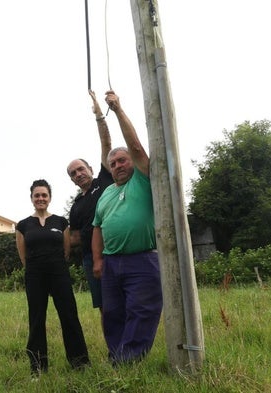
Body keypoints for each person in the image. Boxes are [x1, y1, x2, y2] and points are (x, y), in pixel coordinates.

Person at [91, 90, 163, 365]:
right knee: (113, 313)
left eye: (122, 160)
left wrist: (117, 109)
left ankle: (128, 361)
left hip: (142, 259)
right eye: (113, 164)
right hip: (111, 263)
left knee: (141, 311)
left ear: (131, 161)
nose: (118, 165)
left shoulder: (142, 179)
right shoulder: (107, 193)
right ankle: (117, 356)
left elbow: (135, 146)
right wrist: (98, 259)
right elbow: (98, 227)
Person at [16, 179, 90, 375]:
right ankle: (38, 368)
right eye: (37, 195)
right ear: (31, 198)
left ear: (49, 198)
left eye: (44, 195)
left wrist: (55, 264)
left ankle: (80, 363)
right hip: (35, 275)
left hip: (59, 273)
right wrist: (36, 267)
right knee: (37, 319)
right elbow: (23, 255)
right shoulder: (23, 225)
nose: (40, 198)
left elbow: (66, 250)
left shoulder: (60, 222)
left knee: (69, 316)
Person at [67, 90, 113, 312]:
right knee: (104, 306)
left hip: (114, 250)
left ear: (91, 169)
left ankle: (130, 346)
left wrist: (99, 115)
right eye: (73, 173)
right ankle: (113, 347)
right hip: (89, 259)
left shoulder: (103, 180)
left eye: (81, 169)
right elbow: (73, 237)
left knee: (122, 302)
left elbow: (106, 143)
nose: (78, 174)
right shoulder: (75, 205)